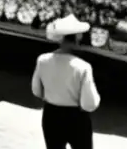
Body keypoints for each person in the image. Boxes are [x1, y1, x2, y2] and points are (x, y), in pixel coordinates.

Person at [31, 14, 100, 149]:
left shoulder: (42, 60)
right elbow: (89, 104)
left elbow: (37, 91)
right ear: (77, 38)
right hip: (76, 118)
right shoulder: (83, 67)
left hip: (51, 115)